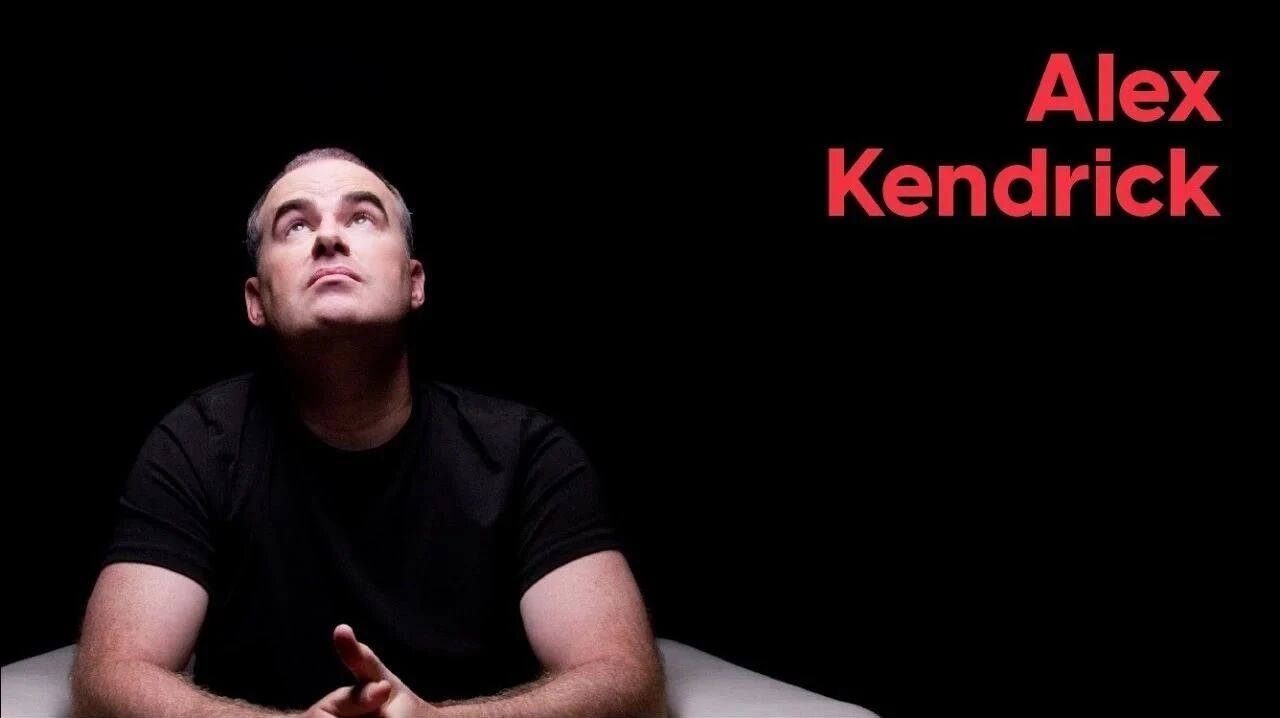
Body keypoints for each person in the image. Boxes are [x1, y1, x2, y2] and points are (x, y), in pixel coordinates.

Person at [70, 148, 668, 717]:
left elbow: (627, 681)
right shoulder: (193, 446)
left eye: (361, 217)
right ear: (256, 301)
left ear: (415, 282)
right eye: (295, 226)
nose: (328, 238)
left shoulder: (527, 454)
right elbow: (108, 679)